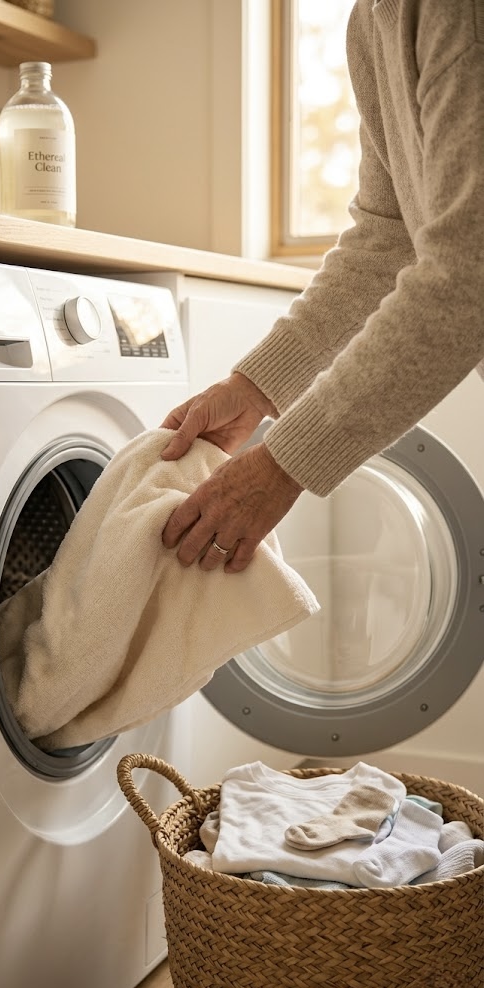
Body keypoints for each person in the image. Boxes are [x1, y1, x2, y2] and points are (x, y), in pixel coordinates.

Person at [160, 0, 484, 573]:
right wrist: (255, 386)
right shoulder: (372, 22)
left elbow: (469, 273)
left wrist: (285, 463)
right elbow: (387, 235)